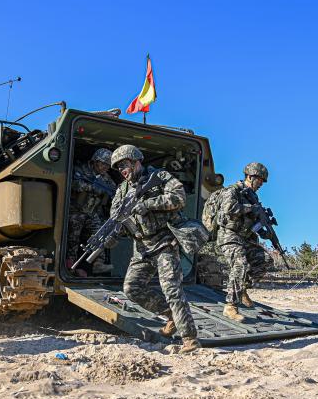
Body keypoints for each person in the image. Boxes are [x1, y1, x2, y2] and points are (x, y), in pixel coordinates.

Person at [108, 144, 200, 353]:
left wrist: (149, 204)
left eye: (125, 164)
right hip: (141, 247)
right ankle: (171, 316)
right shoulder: (122, 191)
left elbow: (179, 198)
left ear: (136, 161)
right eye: (119, 167)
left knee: (171, 288)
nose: (122, 169)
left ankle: (190, 339)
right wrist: (114, 233)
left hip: (165, 242)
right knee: (132, 289)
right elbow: (116, 217)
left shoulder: (160, 177)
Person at [216, 162, 274, 321]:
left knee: (265, 261)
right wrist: (251, 208)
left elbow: (251, 221)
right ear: (250, 176)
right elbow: (229, 209)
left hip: (245, 237)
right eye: (260, 180)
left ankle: (241, 289)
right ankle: (230, 306)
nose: (261, 184)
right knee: (240, 263)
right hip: (229, 235)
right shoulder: (232, 190)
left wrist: (262, 231)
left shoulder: (253, 196)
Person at [66, 148, 116, 276]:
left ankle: (98, 263)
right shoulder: (81, 169)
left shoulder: (106, 178)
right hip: (76, 210)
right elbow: (72, 183)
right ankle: (70, 265)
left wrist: (109, 193)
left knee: (101, 235)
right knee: (73, 238)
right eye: (104, 164)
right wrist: (91, 187)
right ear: (95, 161)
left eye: (108, 165)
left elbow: (113, 190)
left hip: (92, 212)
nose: (106, 167)